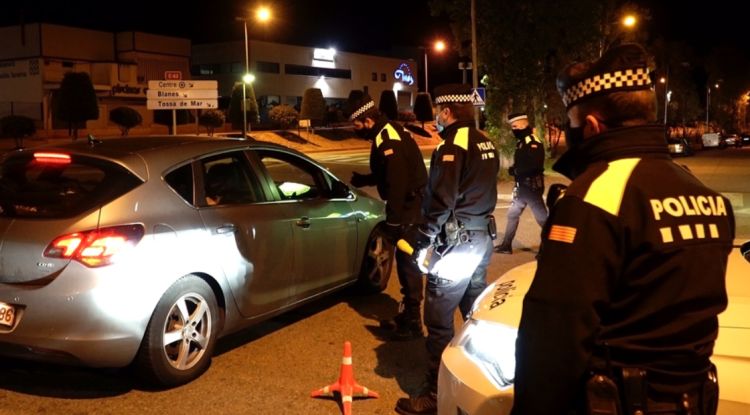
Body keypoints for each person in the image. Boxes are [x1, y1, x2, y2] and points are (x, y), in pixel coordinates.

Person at [512, 43, 735, 414]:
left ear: (593, 125)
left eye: (572, 125)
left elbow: (553, 341)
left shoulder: (593, 198)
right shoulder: (707, 196)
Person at [396, 83, 499, 414]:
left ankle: (437, 395)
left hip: (456, 245)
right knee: (475, 312)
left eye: (439, 112)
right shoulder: (486, 141)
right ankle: (484, 377)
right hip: (481, 240)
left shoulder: (452, 145)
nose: (437, 119)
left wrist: (424, 238)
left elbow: (443, 198)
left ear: (447, 111)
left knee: (439, 317)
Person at [345, 92, 429, 340]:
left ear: (368, 121)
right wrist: (367, 179)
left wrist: (393, 222)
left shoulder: (387, 138)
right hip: (410, 205)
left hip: (409, 208)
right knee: (406, 263)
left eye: (357, 124)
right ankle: (409, 313)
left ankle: (413, 320)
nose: (355, 128)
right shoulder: (387, 131)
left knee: (408, 263)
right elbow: (389, 172)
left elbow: (397, 183)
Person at [495, 112, 548, 254]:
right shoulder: (522, 142)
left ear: (524, 125)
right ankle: (506, 245)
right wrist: (515, 171)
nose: (513, 130)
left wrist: (517, 171)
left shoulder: (532, 142)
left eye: (515, 127)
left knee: (543, 219)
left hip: (531, 187)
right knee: (512, 214)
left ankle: (554, 246)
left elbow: (534, 166)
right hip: (522, 187)